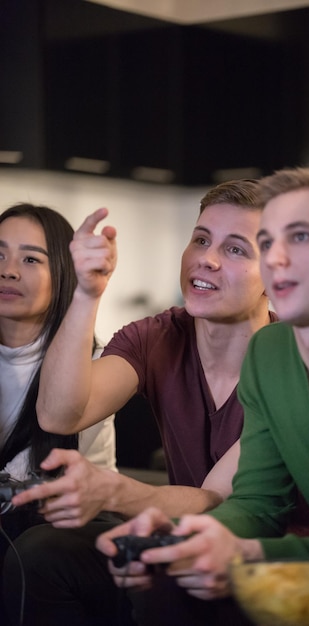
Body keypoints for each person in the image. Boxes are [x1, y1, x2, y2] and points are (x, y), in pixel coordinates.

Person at [95, 166, 309, 625]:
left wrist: (244, 554)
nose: (278, 260)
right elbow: (258, 502)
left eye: (300, 240)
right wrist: (183, 538)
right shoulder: (272, 350)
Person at [3, 179, 277, 625]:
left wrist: (115, 492)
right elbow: (58, 413)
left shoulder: (293, 359)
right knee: (44, 553)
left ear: (277, 273)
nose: (205, 258)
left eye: (235, 249)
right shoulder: (157, 335)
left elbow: (222, 503)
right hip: (178, 534)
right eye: (201, 239)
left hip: (264, 556)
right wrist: (87, 293)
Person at [0, 203, 116, 538]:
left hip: (62, 529)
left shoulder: (92, 362)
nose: (9, 271)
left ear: (65, 272)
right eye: (0, 255)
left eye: (31, 259)